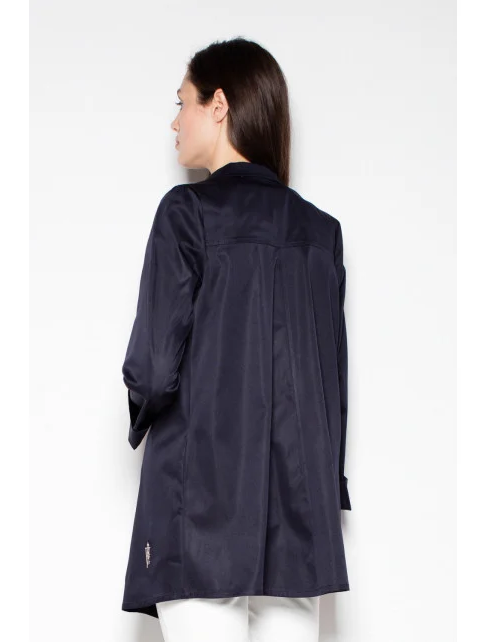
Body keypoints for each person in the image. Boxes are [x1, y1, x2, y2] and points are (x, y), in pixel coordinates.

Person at [120, 37, 351, 641]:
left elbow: (153, 368)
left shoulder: (186, 213)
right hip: (301, 510)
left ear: (218, 105)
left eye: (183, 102)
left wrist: (141, 414)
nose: (175, 122)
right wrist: (328, 483)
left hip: (201, 503)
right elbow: (332, 386)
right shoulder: (321, 234)